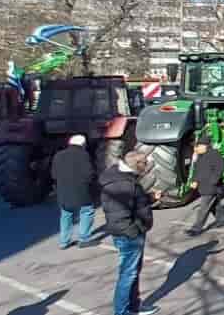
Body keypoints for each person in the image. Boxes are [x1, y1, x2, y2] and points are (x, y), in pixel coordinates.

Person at [101, 150, 161, 315]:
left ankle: (134, 306)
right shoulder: (122, 184)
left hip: (132, 233)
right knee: (127, 274)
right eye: (145, 165)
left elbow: (132, 202)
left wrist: (148, 198)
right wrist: (134, 232)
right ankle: (122, 312)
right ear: (138, 165)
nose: (146, 168)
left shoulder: (125, 179)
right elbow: (119, 216)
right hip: (129, 236)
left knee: (133, 273)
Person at [52, 134, 96, 250]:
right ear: (83, 144)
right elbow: (89, 174)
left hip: (63, 192)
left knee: (66, 214)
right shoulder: (84, 155)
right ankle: (84, 239)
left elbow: (54, 175)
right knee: (87, 211)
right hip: (80, 191)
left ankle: (64, 242)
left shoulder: (58, 155)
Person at [186, 136, 224, 236]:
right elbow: (197, 171)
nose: (196, 148)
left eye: (198, 146)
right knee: (215, 205)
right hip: (204, 186)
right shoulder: (200, 157)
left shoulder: (215, 154)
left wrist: (213, 181)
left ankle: (196, 229)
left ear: (205, 146)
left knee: (203, 208)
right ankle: (223, 220)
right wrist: (194, 181)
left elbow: (220, 168)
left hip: (211, 187)